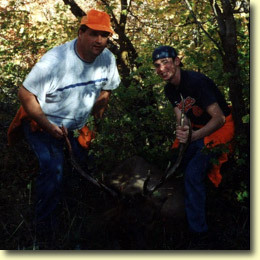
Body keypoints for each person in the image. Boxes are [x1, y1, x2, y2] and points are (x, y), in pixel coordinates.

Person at [7, 9, 120, 244]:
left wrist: (97, 118)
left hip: (76, 128)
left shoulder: (107, 58)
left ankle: (76, 216)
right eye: (94, 34)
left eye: (104, 35)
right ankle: (43, 233)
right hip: (43, 124)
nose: (99, 40)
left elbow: (107, 89)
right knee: (54, 172)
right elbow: (25, 94)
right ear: (81, 32)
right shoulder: (56, 61)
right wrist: (48, 127)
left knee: (82, 170)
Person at [152, 45, 235, 235]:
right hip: (198, 129)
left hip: (220, 128)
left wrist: (194, 137)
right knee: (173, 160)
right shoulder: (170, 90)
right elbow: (182, 117)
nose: (161, 69)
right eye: (157, 65)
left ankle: (199, 232)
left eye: (165, 62)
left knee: (192, 173)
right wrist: (183, 132)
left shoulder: (197, 82)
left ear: (177, 61)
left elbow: (219, 118)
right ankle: (173, 213)